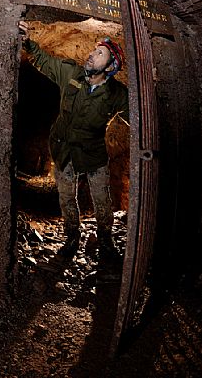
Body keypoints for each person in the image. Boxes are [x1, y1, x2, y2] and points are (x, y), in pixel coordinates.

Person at [18, 21, 129, 260]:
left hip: (93, 154)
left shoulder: (117, 94)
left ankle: (106, 241)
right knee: (67, 196)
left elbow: (138, 119)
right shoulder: (71, 73)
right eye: (93, 50)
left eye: (100, 54)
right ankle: (71, 237)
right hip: (63, 148)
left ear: (110, 67)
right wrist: (27, 42)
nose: (91, 54)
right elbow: (44, 61)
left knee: (101, 198)